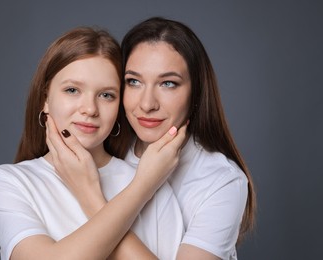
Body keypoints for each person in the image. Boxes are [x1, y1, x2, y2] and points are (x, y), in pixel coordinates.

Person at [47, 17, 256, 260]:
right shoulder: (99, 150)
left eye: (168, 83)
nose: (147, 104)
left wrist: (91, 198)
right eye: (133, 82)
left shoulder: (220, 180)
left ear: (196, 92)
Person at [0, 27, 187, 260]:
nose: (90, 109)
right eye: (72, 90)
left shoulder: (155, 184)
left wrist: (143, 183)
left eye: (106, 95)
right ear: (45, 99)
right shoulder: (10, 182)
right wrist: (141, 189)